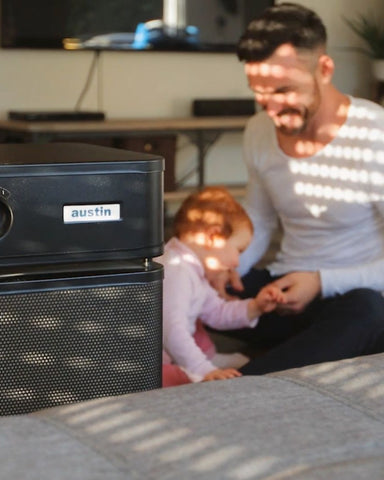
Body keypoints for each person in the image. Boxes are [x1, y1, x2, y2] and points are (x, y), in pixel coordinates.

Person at [216, 2, 384, 375]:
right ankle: (296, 354)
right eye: (260, 94)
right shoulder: (258, 131)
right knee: (194, 286)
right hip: (283, 287)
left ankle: (242, 380)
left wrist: (321, 282)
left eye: (284, 90)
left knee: (369, 314)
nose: (271, 108)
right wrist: (227, 266)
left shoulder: (374, 135)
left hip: (352, 293)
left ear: (324, 69)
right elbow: (259, 218)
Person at [158, 186, 286, 387]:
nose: (237, 262)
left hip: (168, 354)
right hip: (148, 365)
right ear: (213, 237)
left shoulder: (192, 269)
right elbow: (171, 330)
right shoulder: (176, 271)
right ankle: (198, 366)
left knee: (199, 328)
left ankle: (204, 361)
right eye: (238, 250)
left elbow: (216, 312)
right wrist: (204, 370)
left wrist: (255, 307)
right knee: (181, 380)